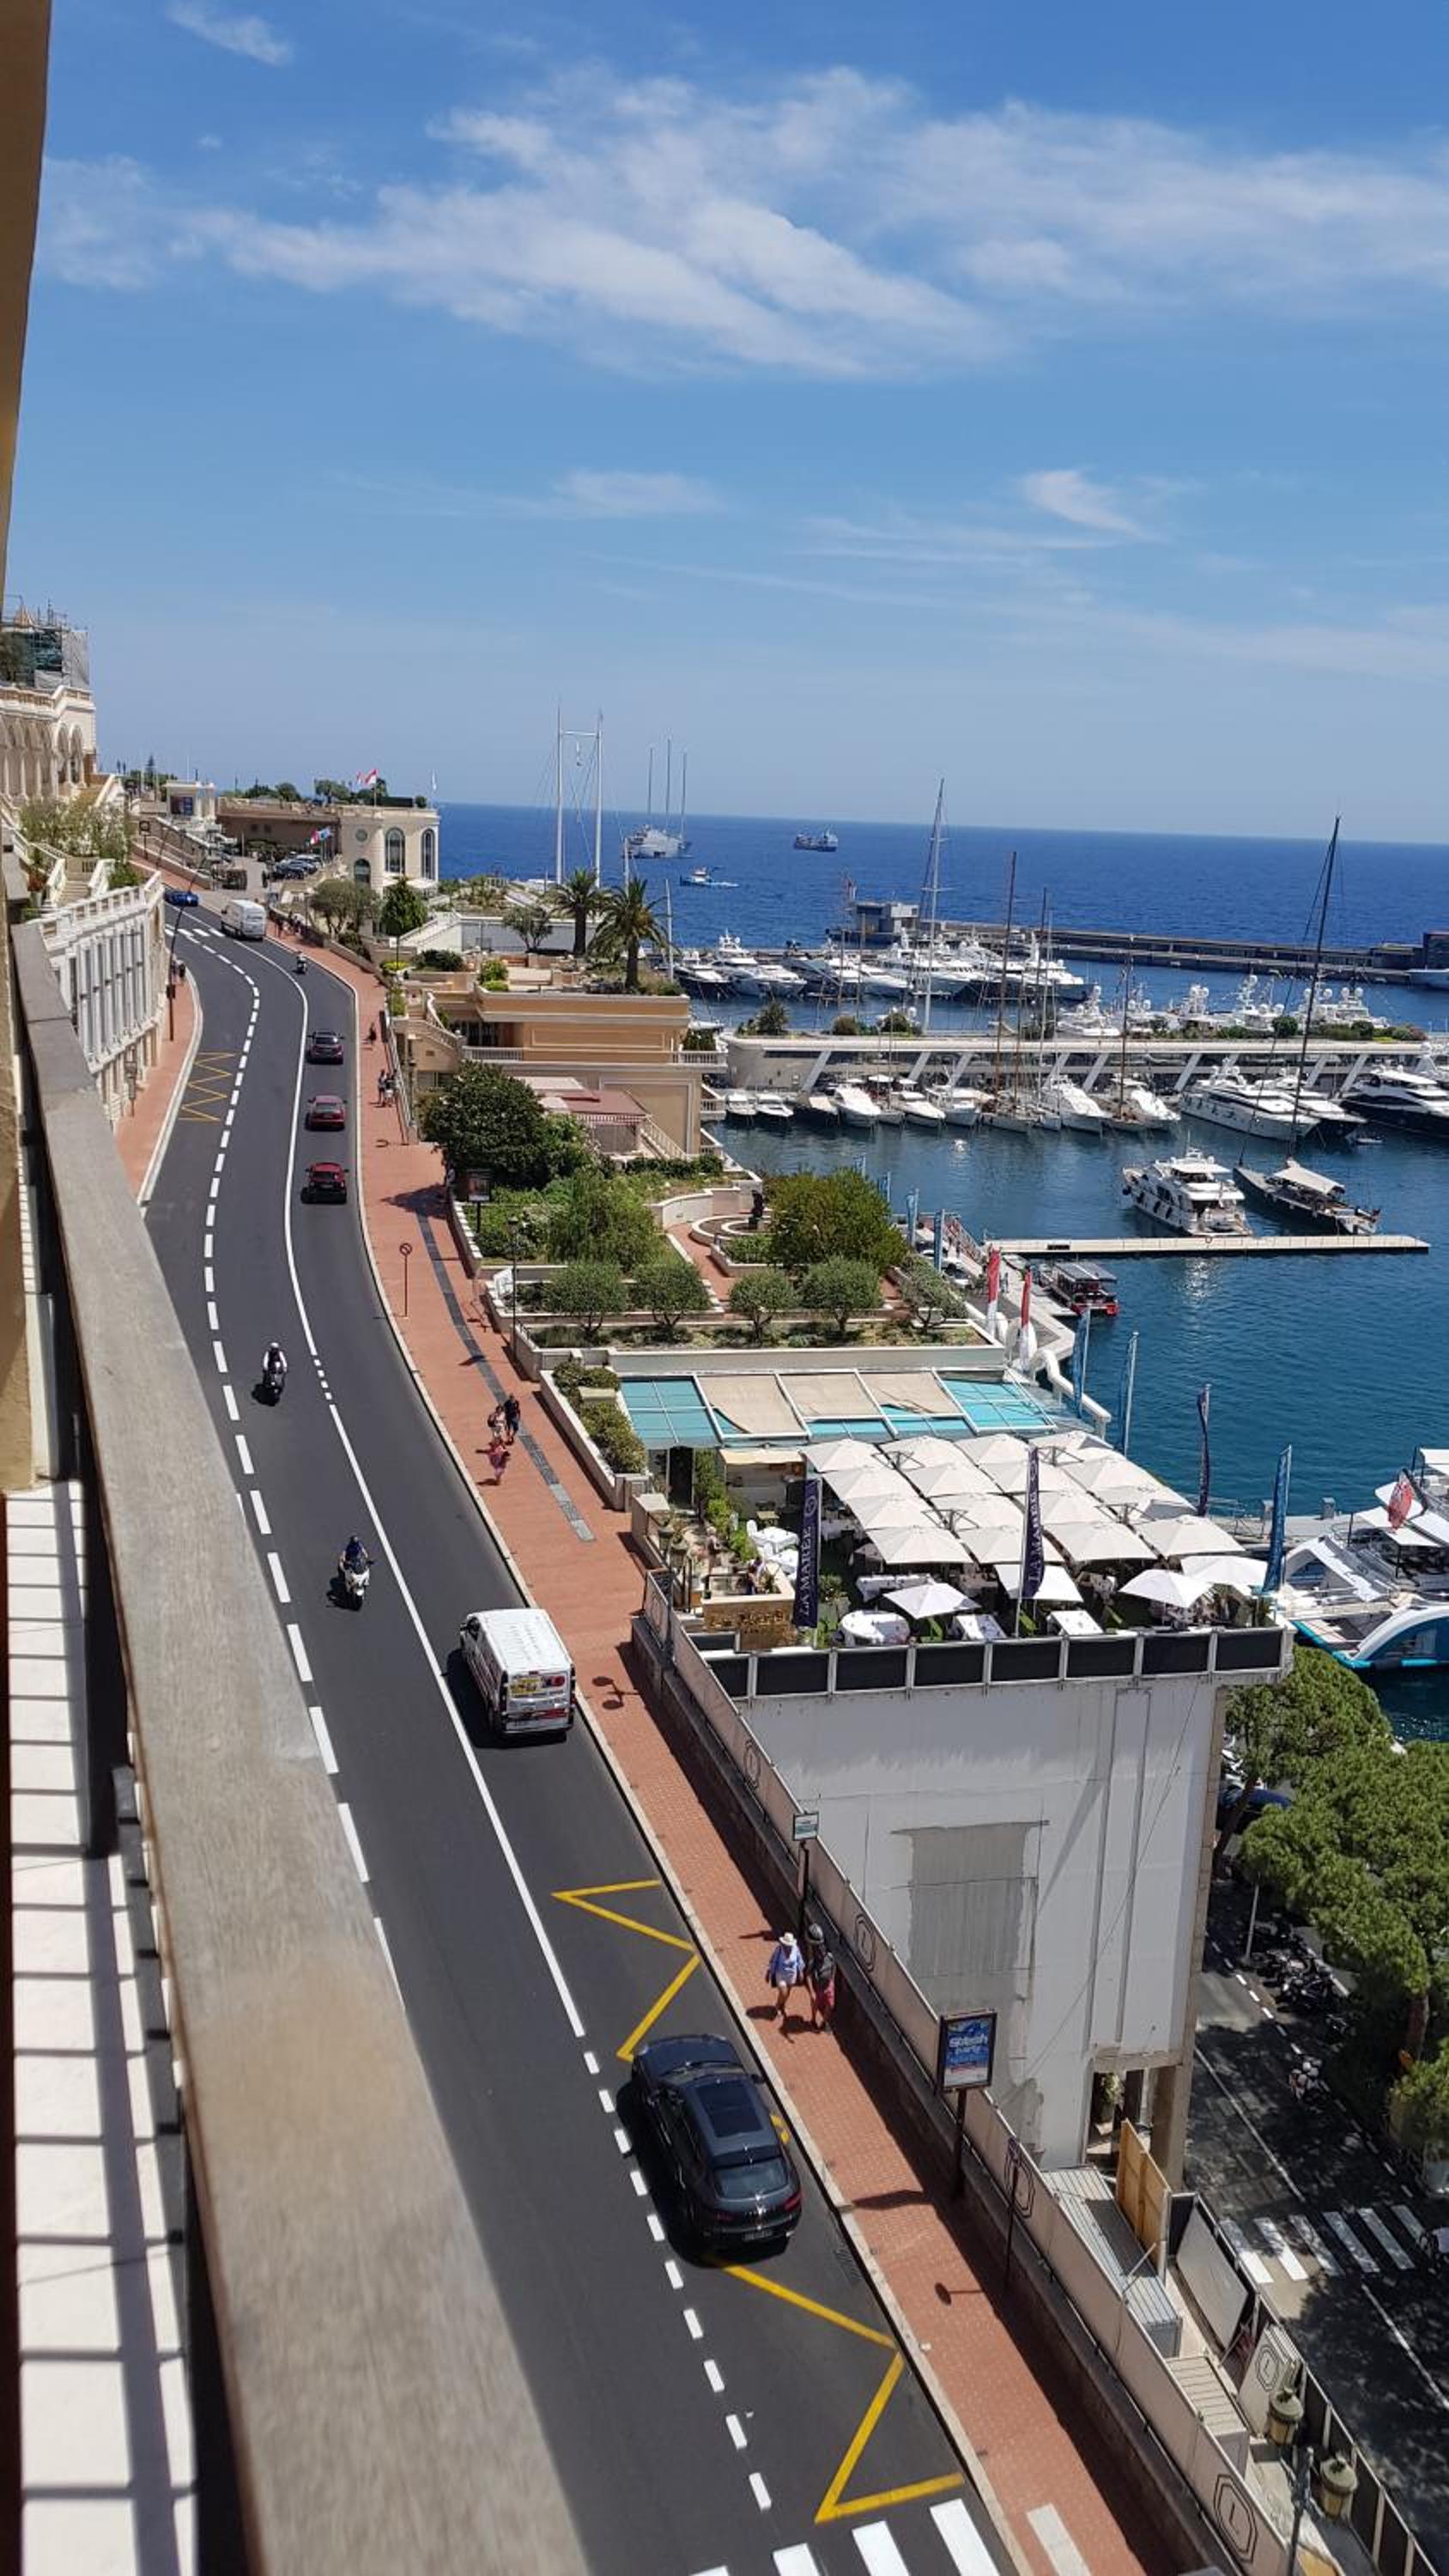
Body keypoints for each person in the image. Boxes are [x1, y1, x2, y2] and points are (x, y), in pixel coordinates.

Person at [767, 1929, 803, 2026]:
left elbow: (799, 1960)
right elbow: (773, 1961)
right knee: (783, 1991)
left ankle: (783, 2005)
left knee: (788, 1992)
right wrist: (769, 1972)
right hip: (781, 1974)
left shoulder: (795, 1948)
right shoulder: (779, 1949)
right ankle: (777, 2006)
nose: (788, 1947)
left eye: (789, 1945)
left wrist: (801, 1972)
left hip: (791, 1974)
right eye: (787, 1945)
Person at [804, 1923, 836, 2029]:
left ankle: (824, 2023)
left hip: (829, 1985)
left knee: (831, 2005)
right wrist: (812, 1992)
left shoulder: (830, 1957)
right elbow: (808, 1975)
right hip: (818, 1988)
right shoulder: (813, 1961)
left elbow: (834, 1967)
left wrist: (832, 1980)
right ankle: (813, 2020)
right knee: (815, 2005)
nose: (822, 1953)